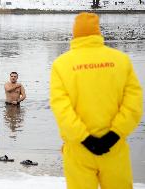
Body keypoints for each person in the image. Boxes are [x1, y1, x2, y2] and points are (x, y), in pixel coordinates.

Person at [50, 12, 143, 189]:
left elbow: (62, 109)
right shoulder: (121, 61)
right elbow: (134, 103)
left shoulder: (61, 65)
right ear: (98, 33)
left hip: (79, 149)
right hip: (114, 148)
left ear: (74, 34)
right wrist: (114, 134)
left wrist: (85, 139)